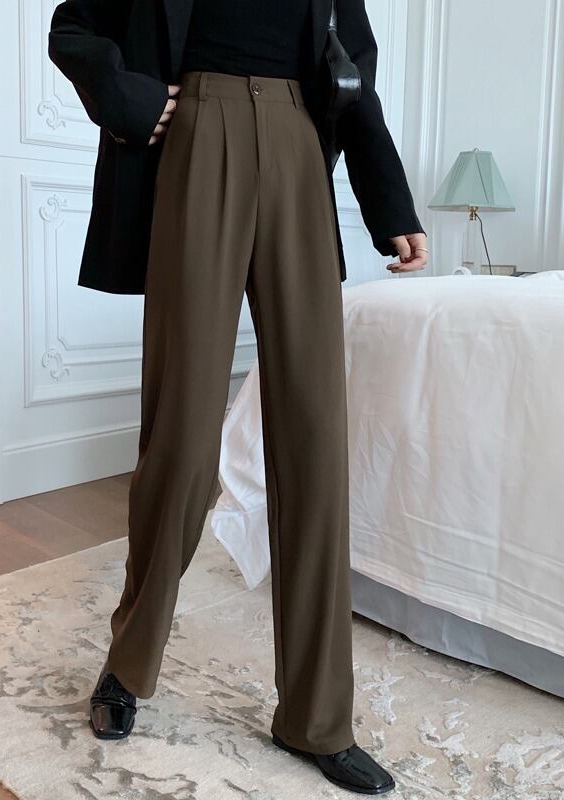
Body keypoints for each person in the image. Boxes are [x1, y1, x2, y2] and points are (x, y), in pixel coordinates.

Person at [48, 0, 428, 794]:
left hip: (297, 146)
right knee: (182, 438)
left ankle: (317, 719)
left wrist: (390, 203)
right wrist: (133, 100)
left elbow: (352, 77)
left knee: (315, 442)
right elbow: (72, 27)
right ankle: (129, 664)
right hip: (196, 136)